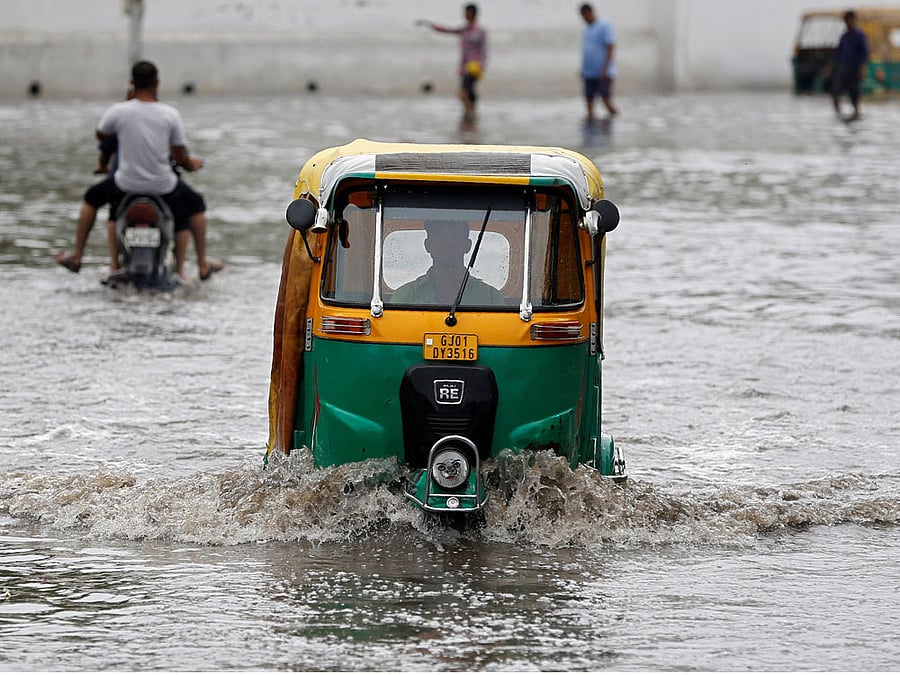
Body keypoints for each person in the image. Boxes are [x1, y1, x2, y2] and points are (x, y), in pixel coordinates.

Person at [56, 60, 223, 280]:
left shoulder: (118, 111)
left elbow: (103, 137)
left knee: (90, 199)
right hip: (164, 186)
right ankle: (202, 263)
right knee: (196, 206)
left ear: (132, 83)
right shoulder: (169, 114)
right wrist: (192, 165)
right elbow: (181, 156)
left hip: (125, 184)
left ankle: (77, 256)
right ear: (157, 83)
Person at [391, 220, 503, 306]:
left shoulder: (491, 298)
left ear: (467, 245)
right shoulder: (404, 297)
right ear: (427, 245)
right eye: (440, 236)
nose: (448, 242)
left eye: (455, 236)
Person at [417, 4, 487, 124]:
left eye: (466, 12)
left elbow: (484, 50)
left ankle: (471, 115)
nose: (464, 14)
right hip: (464, 67)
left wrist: (482, 65)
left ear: (472, 13)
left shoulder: (480, 31)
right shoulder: (464, 29)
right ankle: (470, 115)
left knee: (463, 93)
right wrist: (430, 25)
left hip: (474, 67)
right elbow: (447, 30)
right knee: (469, 93)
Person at [579, 3, 618, 123]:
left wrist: (605, 69)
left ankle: (615, 120)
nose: (584, 19)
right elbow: (587, 50)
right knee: (589, 99)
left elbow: (610, 46)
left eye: (585, 16)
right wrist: (583, 69)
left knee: (605, 98)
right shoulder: (587, 29)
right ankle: (590, 125)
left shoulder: (604, 26)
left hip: (603, 72)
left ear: (590, 13)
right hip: (589, 72)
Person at [830, 10, 870, 121]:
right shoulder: (844, 36)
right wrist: (830, 66)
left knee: (854, 94)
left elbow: (865, 53)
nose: (847, 23)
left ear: (853, 20)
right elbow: (838, 53)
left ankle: (856, 114)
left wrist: (863, 67)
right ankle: (838, 114)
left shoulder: (860, 36)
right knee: (835, 91)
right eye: (846, 20)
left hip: (855, 69)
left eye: (849, 20)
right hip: (845, 69)